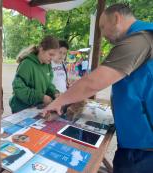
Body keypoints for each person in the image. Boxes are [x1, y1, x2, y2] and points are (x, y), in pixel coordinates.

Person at [43, 3, 153, 173]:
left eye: (102, 26)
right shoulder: (140, 38)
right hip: (137, 143)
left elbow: (93, 82)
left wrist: (60, 101)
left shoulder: (140, 39)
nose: (102, 34)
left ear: (116, 18)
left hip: (144, 150)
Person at [9, 36, 60, 113]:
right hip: (21, 108)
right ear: (41, 49)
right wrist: (41, 97)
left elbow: (48, 84)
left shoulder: (47, 65)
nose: (52, 58)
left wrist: (54, 93)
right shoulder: (27, 64)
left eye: (54, 55)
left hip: (36, 108)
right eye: (50, 54)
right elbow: (18, 88)